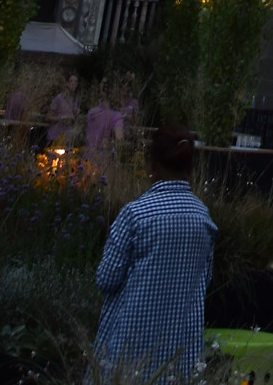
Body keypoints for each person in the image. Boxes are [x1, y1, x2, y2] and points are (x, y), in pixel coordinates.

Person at [92, 125, 216, 383]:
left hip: (131, 347)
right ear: (190, 167)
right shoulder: (203, 218)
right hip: (180, 350)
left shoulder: (135, 215)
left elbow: (106, 278)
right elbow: (204, 279)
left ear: (152, 164)